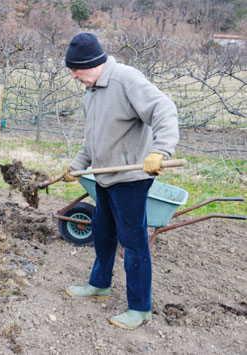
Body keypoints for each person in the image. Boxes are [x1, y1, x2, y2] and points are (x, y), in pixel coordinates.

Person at [61, 33, 179, 330]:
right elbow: (93, 140)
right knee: (102, 234)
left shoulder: (126, 80)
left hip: (130, 178)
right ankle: (99, 286)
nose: (73, 75)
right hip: (104, 177)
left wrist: (160, 150)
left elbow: (164, 109)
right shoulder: (91, 94)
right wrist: (77, 166)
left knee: (134, 243)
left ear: (91, 63)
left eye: (75, 69)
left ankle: (140, 309)